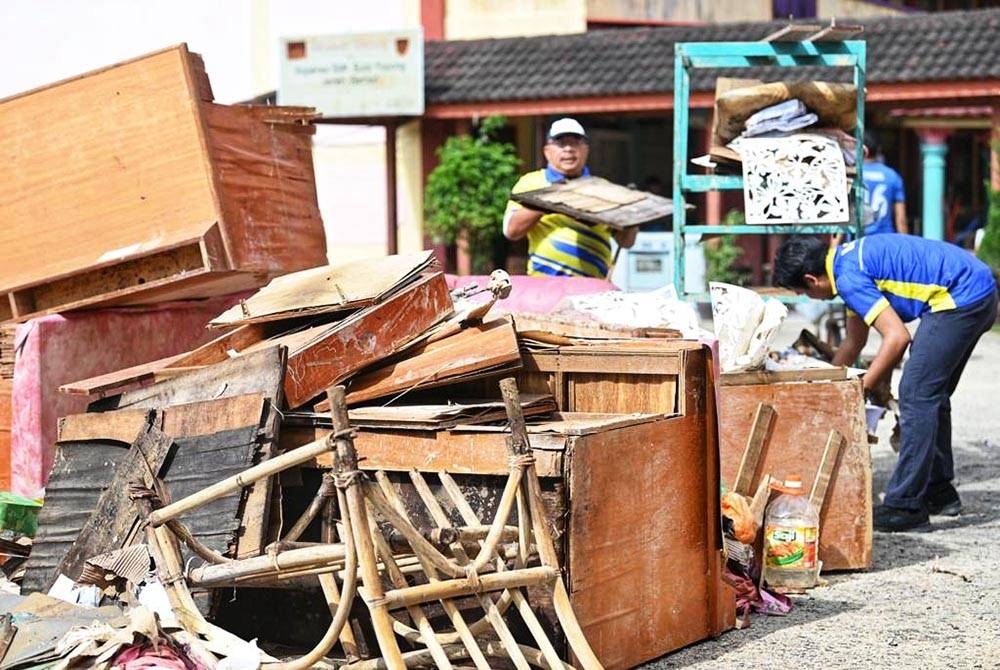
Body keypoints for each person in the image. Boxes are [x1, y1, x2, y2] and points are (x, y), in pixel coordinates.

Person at [773, 234, 998, 532]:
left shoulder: (848, 278)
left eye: (802, 293)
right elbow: (855, 341)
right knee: (932, 394)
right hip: (978, 289)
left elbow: (897, 337)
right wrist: (826, 386)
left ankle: (905, 506)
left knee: (916, 395)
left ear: (811, 280)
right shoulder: (843, 263)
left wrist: (861, 388)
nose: (806, 299)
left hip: (961, 297)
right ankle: (939, 492)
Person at [503, 118, 637, 278]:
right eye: (561, 144)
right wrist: (547, 201)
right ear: (547, 151)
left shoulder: (603, 188)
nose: (568, 149)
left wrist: (633, 215)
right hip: (545, 286)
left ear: (586, 149)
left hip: (593, 288)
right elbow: (511, 231)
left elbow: (626, 242)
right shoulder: (532, 183)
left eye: (575, 143)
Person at [861, 130, 908, 236]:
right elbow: (901, 219)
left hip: (858, 240)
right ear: (879, 149)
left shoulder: (854, 175)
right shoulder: (892, 176)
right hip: (884, 239)